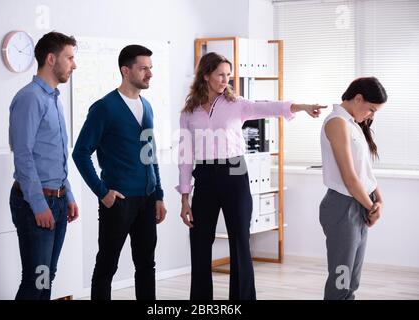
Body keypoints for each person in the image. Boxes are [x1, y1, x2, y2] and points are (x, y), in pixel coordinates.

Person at [177, 52, 327, 300]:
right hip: (204, 176)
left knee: (239, 242)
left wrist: (301, 107)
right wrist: (185, 197)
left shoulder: (237, 104)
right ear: (205, 76)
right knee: (200, 243)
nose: (226, 79)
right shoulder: (189, 112)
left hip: (235, 173)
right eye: (220, 74)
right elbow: (185, 156)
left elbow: (269, 106)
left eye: (228, 75)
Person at [72, 44, 167, 300]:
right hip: (119, 201)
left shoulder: (147, 106)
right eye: (143, 68)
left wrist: (158, 195)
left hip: (147, 200)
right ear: (126, 70)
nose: (150, 73)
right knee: (107, 266)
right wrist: (102, 192)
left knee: (147, 265)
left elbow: (151, 154)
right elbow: (80, 152)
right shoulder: (104, 108)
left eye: (151, 68)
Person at [9, 31, 79, 300]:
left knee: (46, 277)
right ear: (51, 59)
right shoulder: (30, 98)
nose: (74, 65)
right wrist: (39, 204)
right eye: (69, 58)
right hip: (35, 204)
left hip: (57, 200)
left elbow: (54, 156)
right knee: (36, 280)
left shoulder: (53, 99)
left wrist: (68, 194)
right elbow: (23, 156)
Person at [319, 77, 387, 300]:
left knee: (352, 280)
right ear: (358, 99)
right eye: (371, 109)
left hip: (359, 204)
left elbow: (364, 170)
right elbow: (349, 178)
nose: (371, 115)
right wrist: (371, 208)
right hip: (343, 207)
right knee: (342, 278)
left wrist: (379, 200)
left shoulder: (352, 124)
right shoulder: (337, 122)